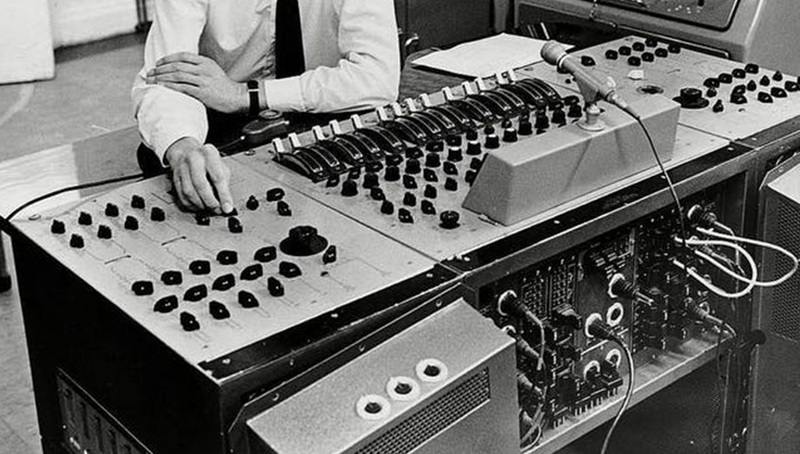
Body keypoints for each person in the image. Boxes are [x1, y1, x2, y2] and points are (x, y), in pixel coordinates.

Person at [132, 0, 400, 214]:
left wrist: (245, 95)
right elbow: (166, 76)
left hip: (325, 121)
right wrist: (183, 146)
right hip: (221, 130)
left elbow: (377, 77)